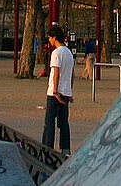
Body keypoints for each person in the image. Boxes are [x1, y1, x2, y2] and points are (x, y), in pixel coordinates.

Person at [42, 25, 73, 153]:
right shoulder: (69, 52)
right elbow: (72, 74)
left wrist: (55, 91)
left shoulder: (56, 53)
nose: (49, 40)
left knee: (49, 122)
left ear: (54, 38)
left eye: (50, 38)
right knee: (63, 122)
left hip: (56, 93)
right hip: (66, 92)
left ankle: (47, 147)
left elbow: (55, 72)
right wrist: (70, 91)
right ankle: (65, 148)